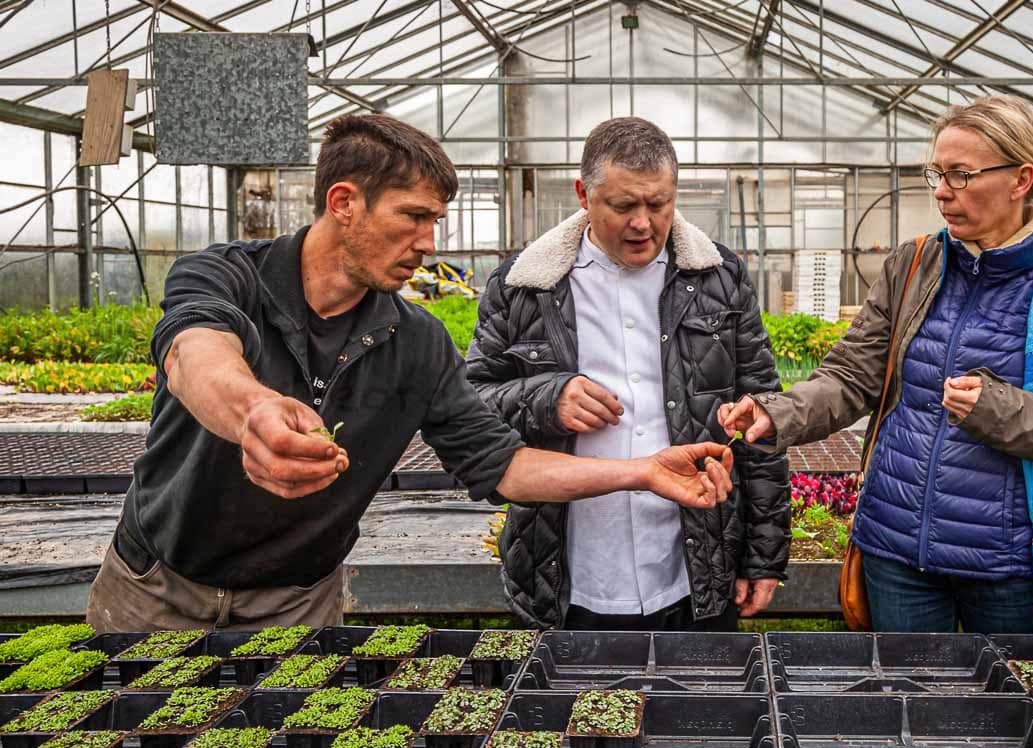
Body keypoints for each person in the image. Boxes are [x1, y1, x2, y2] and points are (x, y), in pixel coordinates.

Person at [85, 114, 734, 633]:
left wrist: (641, 471)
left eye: (435, 221)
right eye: (413, 217)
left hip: (298, 600)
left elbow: (507, 466)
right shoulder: (227, 275)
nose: (429, 243)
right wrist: (254, 410)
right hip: (154, 587)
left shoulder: (416, 341)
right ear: (345, 202)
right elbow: (194, 353)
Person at [722, 95, 1033, 634]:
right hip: (896, 551)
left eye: (961, 175)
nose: (942, 191)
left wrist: (999, 410)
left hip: (1008, 564)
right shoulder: (913, 266)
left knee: (1011, 689)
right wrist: (777, 412)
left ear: (1021, 180)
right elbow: (851, 376)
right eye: (937, 174)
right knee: (911, 685)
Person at [468, 117, 789, 632]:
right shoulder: (524, 287)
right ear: (584, 195)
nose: (643, 223)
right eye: (622, 206)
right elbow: (472, 404)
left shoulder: (718, 279)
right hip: (570, 563)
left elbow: (762, 413)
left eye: (659, 204)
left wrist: (764, 553)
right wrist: (547, 398)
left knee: (697, 684)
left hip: (693, 563)